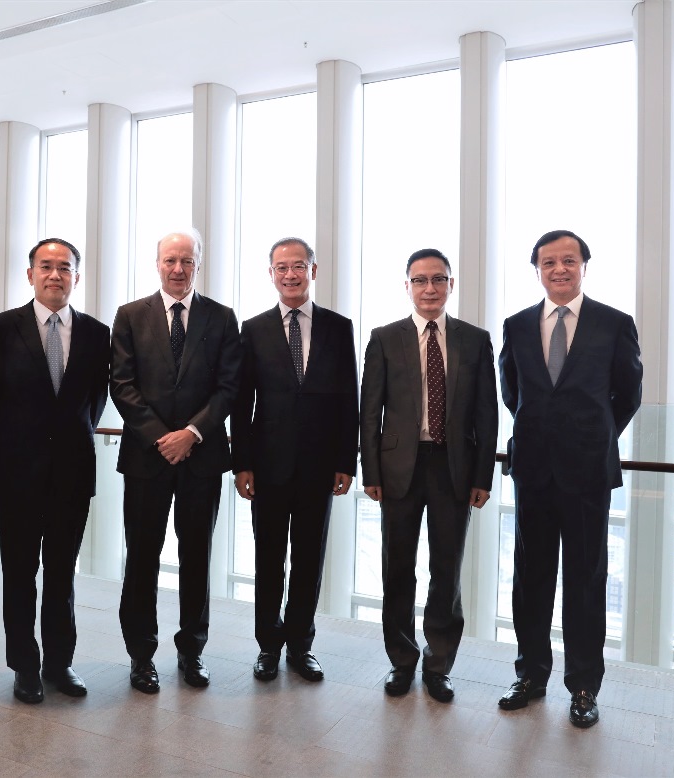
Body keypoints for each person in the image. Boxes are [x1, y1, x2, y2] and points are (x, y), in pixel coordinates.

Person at [497, 230, 642, 728]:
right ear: (536, 269)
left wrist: (591, 435)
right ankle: (531, 675)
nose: (559, 269)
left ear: (584, 265)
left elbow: (628, 395)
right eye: (548, 262)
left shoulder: (614, 324)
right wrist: (546, 431)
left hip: (587, 473)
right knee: (530, 577)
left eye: (568, 260)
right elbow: (511, 392)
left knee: (585, 580)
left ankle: (583, 687)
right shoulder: (516, 325)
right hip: (533, 469)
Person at [360, 248, 498, 702]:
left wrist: (483, 475)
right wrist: (371, 470)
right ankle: (402, 661)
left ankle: (439, 665)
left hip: (453, 467)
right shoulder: (384, 338)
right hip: (399, 467)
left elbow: (486, 413)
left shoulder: (475, 341)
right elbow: (369, 413)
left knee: (447, 569)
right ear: (408, 287)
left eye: (438, 279)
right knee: (397, 568)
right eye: (420, 280)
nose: (429, 289)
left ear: (451, 285)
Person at [0, 238, 110, 705]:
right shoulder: (2, 327)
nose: (55, 275)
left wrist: (68, 441)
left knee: (61, 574)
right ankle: (25, 667)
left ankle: (59, 663)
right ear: (30, 274)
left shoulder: (97, 333)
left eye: (65, 268)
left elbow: (94, 402)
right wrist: (13, 451)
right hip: (16, 475)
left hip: (73, 473)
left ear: (77, 276)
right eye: (46, 267)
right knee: (19, 572)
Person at [111, 228, 242, 692]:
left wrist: (190, 433)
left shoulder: (223, 319)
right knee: (142, 558)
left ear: (198, 265)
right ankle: (141, 655)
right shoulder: (130, 316)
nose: (178, 268)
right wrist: (161, 437)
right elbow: (122, 385)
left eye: (187, 261)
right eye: (171, 260)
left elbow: (229, 387)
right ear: (158, 262)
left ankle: (192, 653)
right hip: (147, 459)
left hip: (201, 458)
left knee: (197, 557)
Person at [231, 237, 357, 683]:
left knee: (309, 559)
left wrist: (346, 460)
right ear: (271, 274)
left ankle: (301, 646)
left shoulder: (339, 328)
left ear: (313, 271)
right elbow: (241, 402)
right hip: (267, 467)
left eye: (298, 266)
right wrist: (241, 463)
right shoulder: (254, 328)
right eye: (281, 267)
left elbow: (349, 399)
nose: (290, 274)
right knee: (268, 558)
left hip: (320, 466)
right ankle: (268, 646)